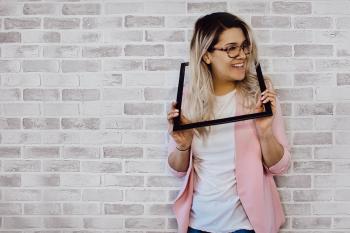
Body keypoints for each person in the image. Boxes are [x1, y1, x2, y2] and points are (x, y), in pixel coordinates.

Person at [166, 12, 291, 233]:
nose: (242, 55)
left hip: (246, 225)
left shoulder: (260, 96)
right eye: (231, 48)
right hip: (197, 224)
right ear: (206, 55)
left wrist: (264, 132)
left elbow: (279, 167)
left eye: (244, 46)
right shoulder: (187, 99)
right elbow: (177, 170)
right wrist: (182, 145)